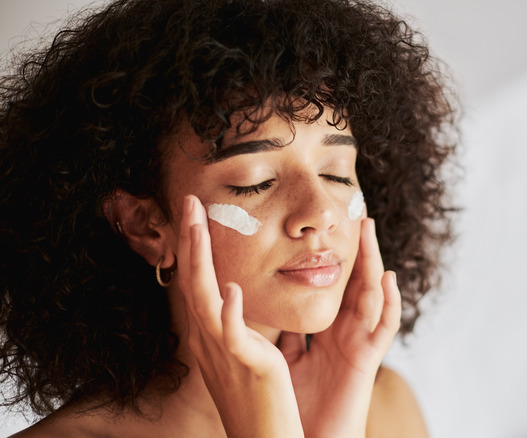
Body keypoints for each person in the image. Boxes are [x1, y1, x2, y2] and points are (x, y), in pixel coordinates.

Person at [0, 0, 457, 436]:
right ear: (145, 225)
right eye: (255, 182)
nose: (320, 214)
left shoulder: (382, 406)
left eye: (336, 174)